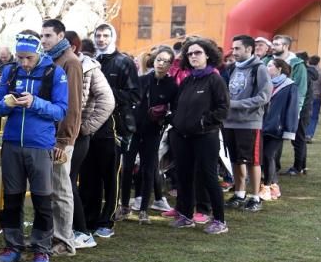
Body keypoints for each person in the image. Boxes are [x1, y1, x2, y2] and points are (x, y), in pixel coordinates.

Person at [0, 32, 69, 262]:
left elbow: (60, 111)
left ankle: (41, 249)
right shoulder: (9, 71)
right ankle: (12, 246)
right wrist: (8, 103)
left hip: (40, 144)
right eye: (20, 57)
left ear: (39, 53)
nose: (24, 62)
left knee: (42, 199)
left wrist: (35, 102)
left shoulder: (54, 73)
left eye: (29, 57)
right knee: (12, 199)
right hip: (12, 143)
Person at [81, 24, 139, 239]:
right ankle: (88, 218)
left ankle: (108, 219)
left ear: (113, 37)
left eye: (106, 35)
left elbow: (134, 95)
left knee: (110, 175)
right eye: (98, 35)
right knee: (88, 175)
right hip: (90, 126)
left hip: (114, 127)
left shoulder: (123, 62)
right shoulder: (90, 61)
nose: (102, 39)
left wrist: (105, 92)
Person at [169, 38, 230, 234]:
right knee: (184, 176)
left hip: (205, 136)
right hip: (182, 136)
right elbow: (177, 105)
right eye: (190, 54)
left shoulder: (215, 79)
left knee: (209, 177)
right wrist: (175, 122)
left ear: (208, 55)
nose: (193, 56)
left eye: (198, 53)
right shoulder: (188, 79)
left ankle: (219, 220)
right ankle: (186, 215)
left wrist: (204, 121)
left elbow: (223, 108)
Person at [115, 46, 177, 223]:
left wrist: (165, 117)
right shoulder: (141, 80)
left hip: (153, 132)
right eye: (159, 60)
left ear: (170, 65)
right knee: (126, 168)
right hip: (133, 130)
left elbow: (175, 109)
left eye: (166, 61)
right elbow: (127, 102)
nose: (161, 64)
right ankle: (124, 206)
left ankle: (143, 211)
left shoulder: (172, 86)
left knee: (149, 169)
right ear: (154, 60)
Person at [66, 31, 115, 249]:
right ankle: (67, 228)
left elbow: (107, 100)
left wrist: (85, 127)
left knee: (68, 180)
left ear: (72, 47)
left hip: (79, 135)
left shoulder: (89, 68)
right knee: (64, 181)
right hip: (61, 134)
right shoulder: (56, 65)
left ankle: (82, 231)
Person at [40, 20, 83, 256]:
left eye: (48, 35)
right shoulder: (52, 60)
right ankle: (53, 236)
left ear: (60, 35)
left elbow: (73, 107)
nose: (44, 40)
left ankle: (65, 242)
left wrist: (64, 141)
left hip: (61, 139)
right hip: (47, 135)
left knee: (61, 188)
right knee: (51, 188)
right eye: (42, 35)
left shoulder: (70, 62)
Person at [221, 35, 271, 212]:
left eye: (237, 49)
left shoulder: (260, 68)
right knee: (235, 159)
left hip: (249, 123)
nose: (233, 52)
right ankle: (239, 193)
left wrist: (235, 105)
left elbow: (264, 97)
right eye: (233, 48)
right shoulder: (233, 68)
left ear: (249, 49)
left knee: (252, 161)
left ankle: (255, 197)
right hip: (230, 122)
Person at [259, 58, 300, 200]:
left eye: (269, 65)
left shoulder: (290, 86)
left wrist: (289, 130)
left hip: (278, 128)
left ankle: (267, 186)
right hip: (262, 126)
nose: (266, 67)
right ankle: (274, 186)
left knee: (268, 155)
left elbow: (293, 109)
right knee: (263, 157)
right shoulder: (266, 84)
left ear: (279, 69)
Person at [270, 35, 308, 175]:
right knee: (274, 135)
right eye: (273, 44)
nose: (273, 46)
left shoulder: (298, 64)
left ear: (285, 46)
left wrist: (296, 110)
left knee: (297, 138)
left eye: (276, 44)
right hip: (274, 106)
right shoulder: (269, 61)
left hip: (294, 107)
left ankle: (298, 166)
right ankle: (274, 165)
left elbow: (301, 89)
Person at [306, 55, 321, 141]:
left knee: (304, 115)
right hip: (316, 97)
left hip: (305, 96)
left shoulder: (305, 71)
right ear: (318, 62)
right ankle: (309, 135)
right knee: (313, 117)